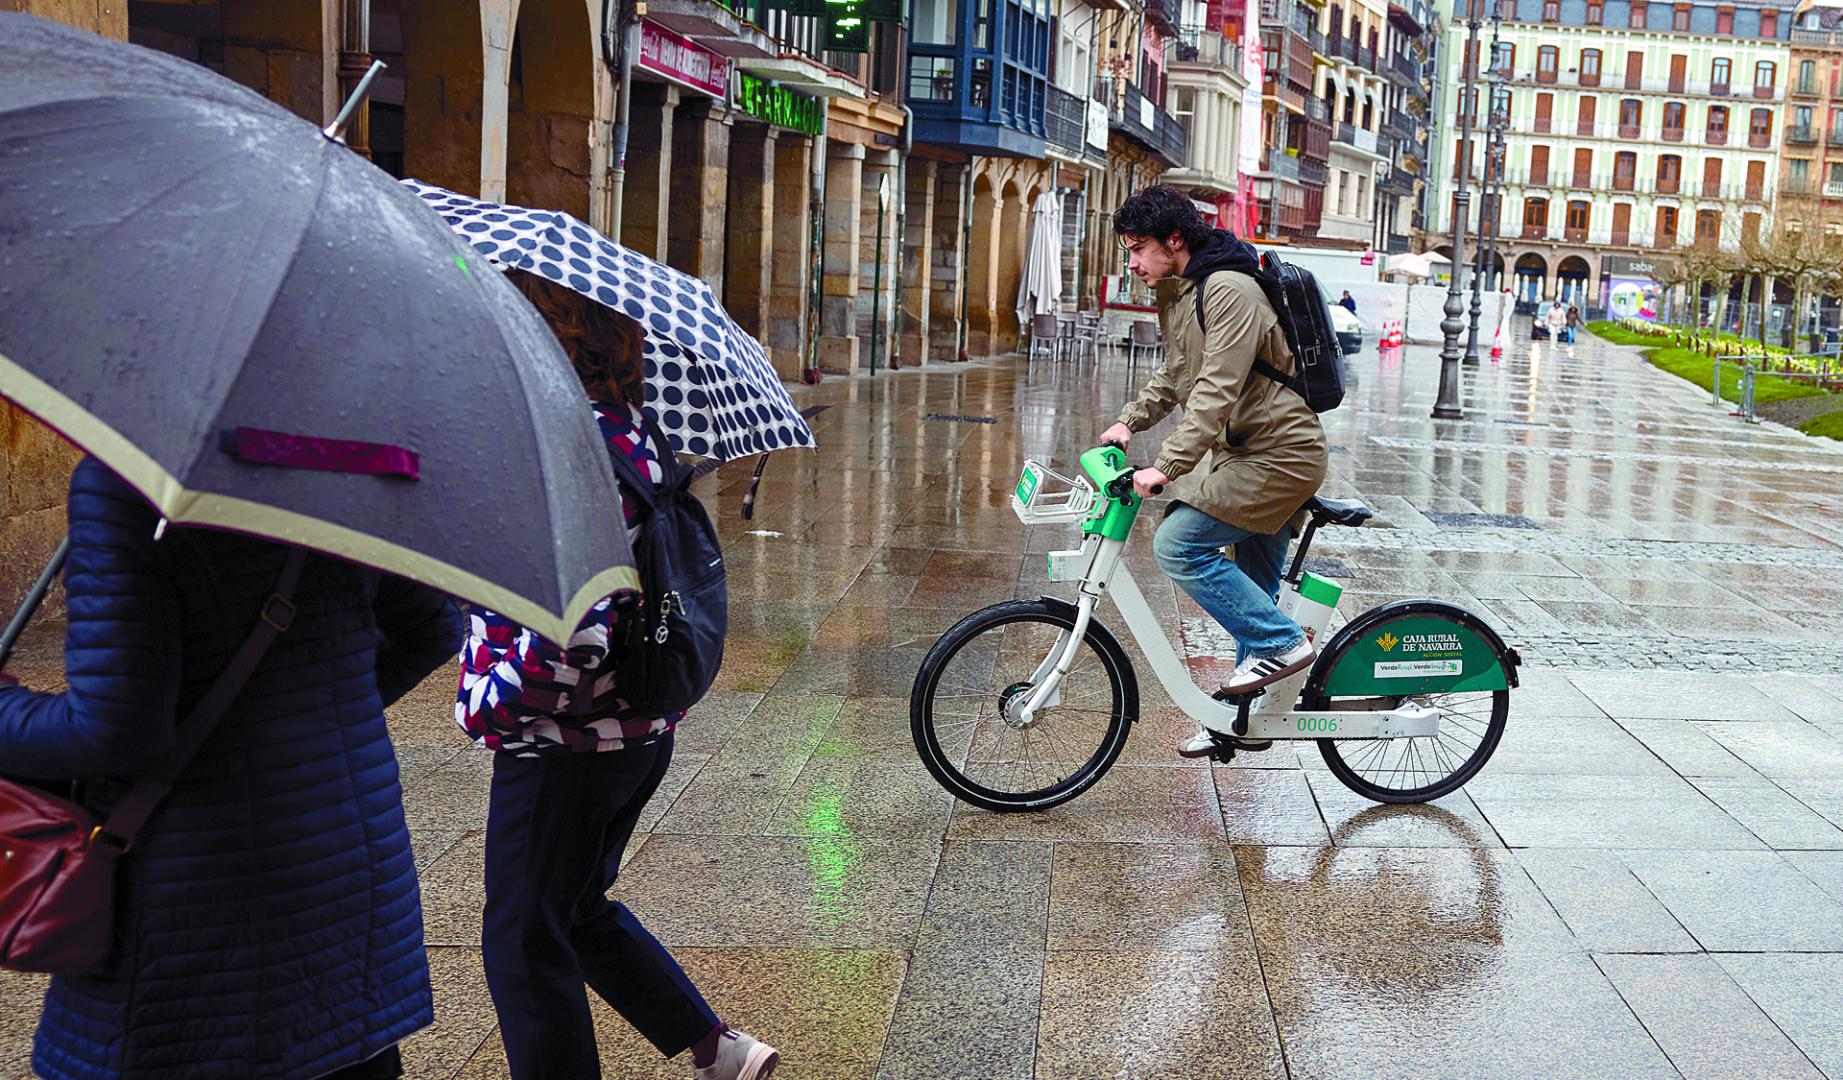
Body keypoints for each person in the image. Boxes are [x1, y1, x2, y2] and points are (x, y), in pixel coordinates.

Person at [0, 460, 461, 1079]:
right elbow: (431, 629)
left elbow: (112, 731)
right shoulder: (347, 465)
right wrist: (303, 729)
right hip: (348, 884)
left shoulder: (127, 480)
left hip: (195, 901)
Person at [458, 270, 779, 1080]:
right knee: (572, 908)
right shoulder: (631, 435)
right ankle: (717, 1050)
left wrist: (491, 705)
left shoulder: (561, 455)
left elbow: (573, 629)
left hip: (563, 741)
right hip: (636, 726)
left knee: (524, 945)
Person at [1097, 186, 1329, 758]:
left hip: (1280, 458)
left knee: (1178, 544)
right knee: (1254, 591)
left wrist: (1165, 466)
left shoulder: (1230, 290)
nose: (1132, 263)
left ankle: (1283, 641)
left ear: (1175, 241)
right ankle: (1240, 717)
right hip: (1247, 454)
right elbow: (1177, 376)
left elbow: (1215, 391)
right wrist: (1128, 423)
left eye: (1139, 248)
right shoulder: (1186, 292)